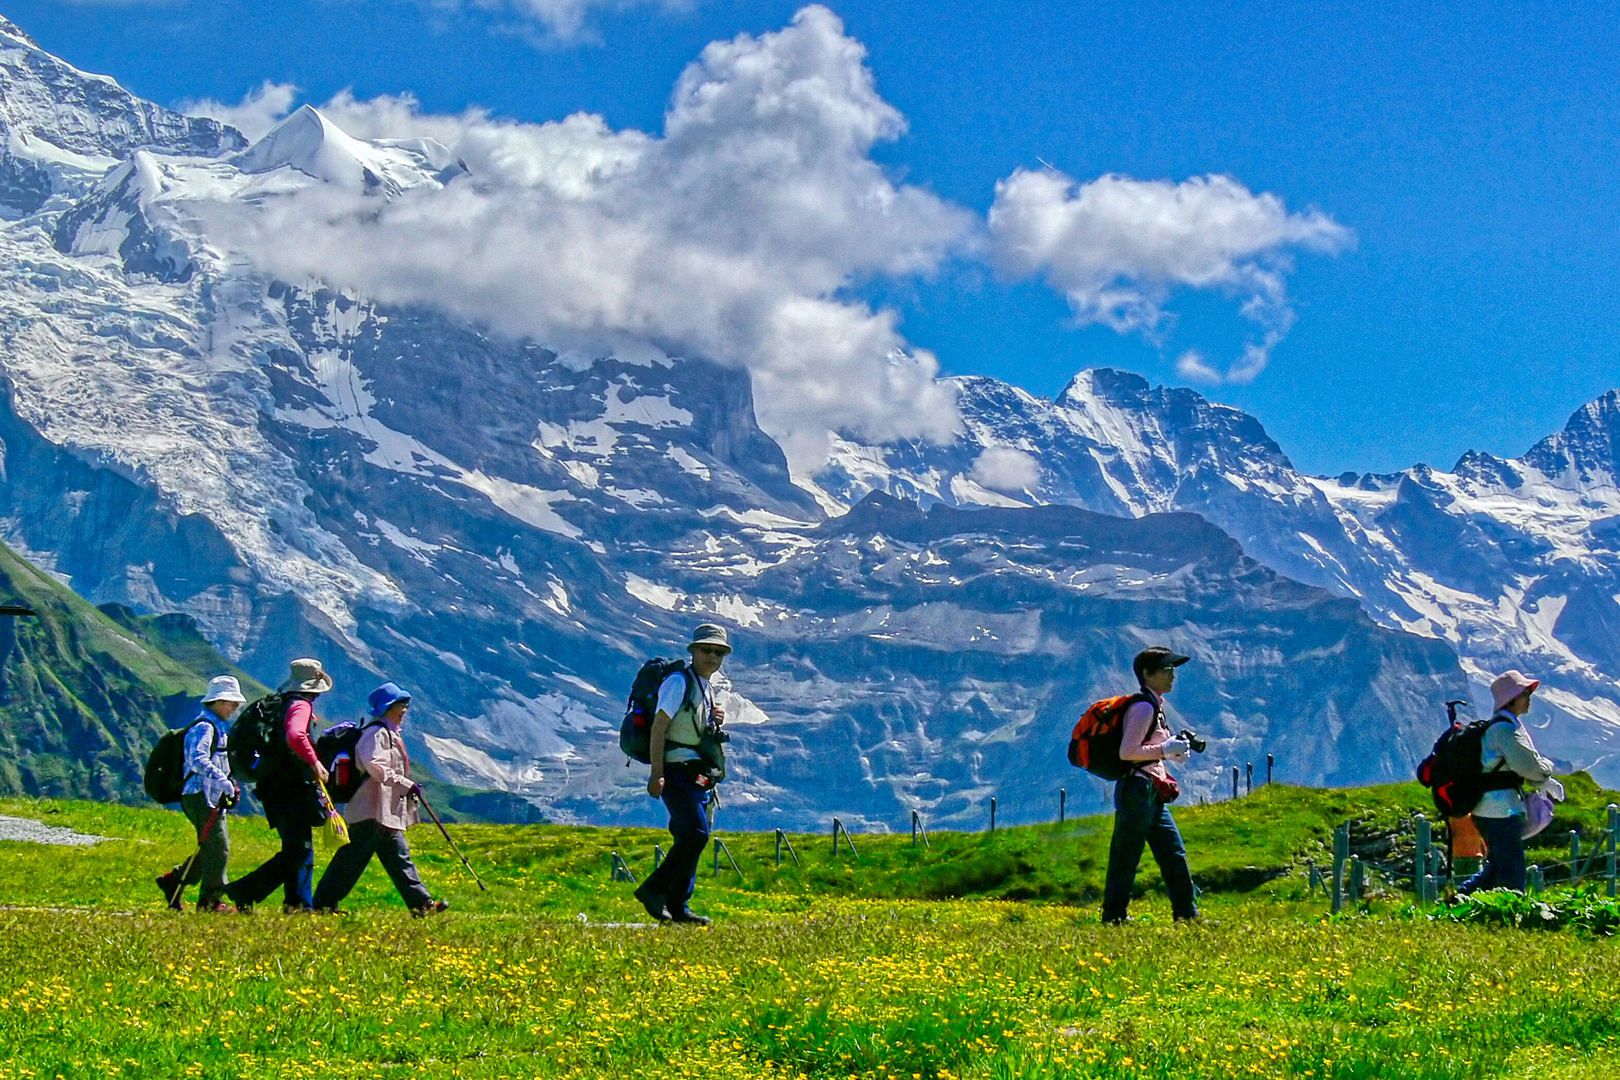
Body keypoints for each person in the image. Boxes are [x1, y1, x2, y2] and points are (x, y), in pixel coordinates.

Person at [312, 683, 449, 916]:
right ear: (388, 708)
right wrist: (405, 784)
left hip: (383, 812)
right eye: (399, 705)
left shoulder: (389, 733)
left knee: (399, 859)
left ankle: (422, 904)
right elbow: (375, 767)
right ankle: (323, 904)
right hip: (370, 809)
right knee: (351, 861)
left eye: (405, 705)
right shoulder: (375, 734)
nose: (404, 710)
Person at [633, 624, 731, 926]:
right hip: (676, 771)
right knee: (696, 834)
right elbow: (659, 728)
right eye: (706, 650)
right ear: (693, 651)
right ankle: (653, 890)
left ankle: (678, 906)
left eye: (718, 652)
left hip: (695, 773)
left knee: (691, 836)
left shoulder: (704, 687)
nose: (712, 656)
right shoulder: (678, 683)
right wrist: (657, 774)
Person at [226, 658, 335, 913]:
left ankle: (298, 905)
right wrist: (315, 762)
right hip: (292, 787)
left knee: (299, 846)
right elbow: (296, 735)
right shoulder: (301, 706)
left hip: (273, 785)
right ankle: (246, 890)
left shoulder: (280, 704)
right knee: (299, 850)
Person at [1101, 646, 1200, 925]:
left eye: (1173, 669)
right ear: (1147, 674)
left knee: (1173, 852)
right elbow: (1128, 751)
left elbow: (1145, 749)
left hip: (1150, 790)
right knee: (1127, 855)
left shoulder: (1155, 706)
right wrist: (1165, 751)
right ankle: (1114, 916)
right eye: (1166, 669)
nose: (1172, 675)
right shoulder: (1144, 708)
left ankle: (1187, 914)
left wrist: (1171, 752)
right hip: (1137, 790)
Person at [1459, 670, 1560, 895]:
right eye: (1524, 693)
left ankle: (1458, 900)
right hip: (1499, 811)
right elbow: (1529, 766)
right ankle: (1511, 908)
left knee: (1498, 865)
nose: (1528, 697)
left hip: (1492, 808)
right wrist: (1547, 769)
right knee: (1512, 869)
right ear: (1512, 699)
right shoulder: (1505, 730)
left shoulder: (1501, 726)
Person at [155, 676, 247, 913]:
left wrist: (227, 783)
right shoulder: (205, 727)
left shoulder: (216, 726)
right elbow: (197, 759)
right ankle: (210, 901)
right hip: (199, 794)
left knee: (209, 847)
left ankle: (173, 880)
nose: (234, 707)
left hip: (210, 796)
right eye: (231, 702)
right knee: (219, 848)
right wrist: (221, 780)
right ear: (217, 702)